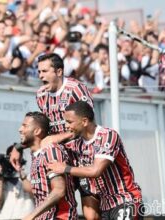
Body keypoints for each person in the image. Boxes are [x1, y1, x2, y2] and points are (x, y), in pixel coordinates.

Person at [11, 53, 99, 219]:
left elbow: (86, 125)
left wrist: (56, 138)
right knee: (58, 204)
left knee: (91, 214)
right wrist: (18, 147)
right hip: (58, 157)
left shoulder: (76, 89)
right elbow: (42, 128)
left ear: (59, 72)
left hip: (83, 155)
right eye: (39, 72)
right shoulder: (41, 95)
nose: (41, 75)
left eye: (45, 71)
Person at [48, 101, 143, 220]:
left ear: (84, 121)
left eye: (69, 122)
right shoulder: (77, 143)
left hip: (126, 200)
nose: (66, 126)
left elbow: (95, 170)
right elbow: (46, 143)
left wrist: (65, 168)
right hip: (105, 206)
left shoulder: (107, 135)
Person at [18, 111, 77, 220]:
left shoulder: (50, 150)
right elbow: (40, 192)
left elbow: (59, 190)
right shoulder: (35, 155)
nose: (20, 129)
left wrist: (32, 215)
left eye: (24, 126)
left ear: (37, 131)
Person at [0, 143, 34, 220]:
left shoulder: (29, 175)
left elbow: (35, 193)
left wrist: (21, 173)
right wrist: (1, 178)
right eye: (9, 156)